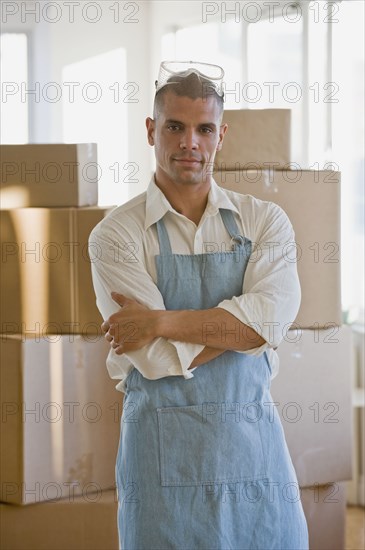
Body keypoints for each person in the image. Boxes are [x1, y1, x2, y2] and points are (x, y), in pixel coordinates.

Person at [89, 61, 309, 549]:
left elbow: (266, 325)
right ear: (151, 131)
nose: (190, 142)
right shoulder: (116, 235)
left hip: (255, 458)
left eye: (204, 129)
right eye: (175, 127)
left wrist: (161, 321)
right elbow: (155, 358)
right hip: (160, 470)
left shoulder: (264, 221)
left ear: (221, 134)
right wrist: (240, 330)